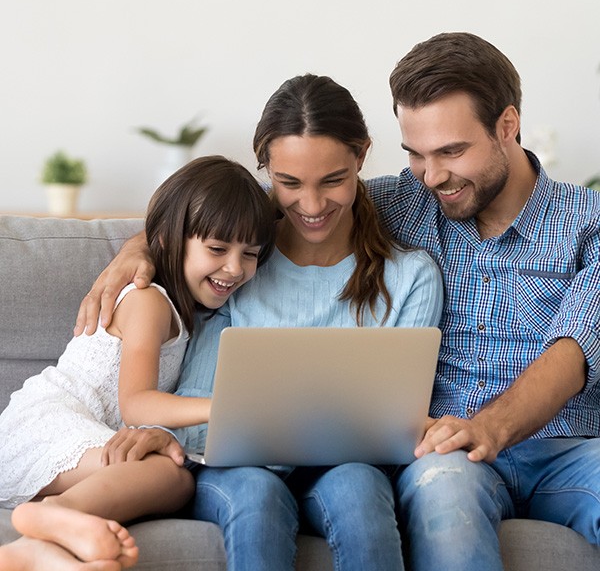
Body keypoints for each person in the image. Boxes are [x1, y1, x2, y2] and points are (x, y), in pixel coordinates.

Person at [74, 73, 444, 571]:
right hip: (235, 466)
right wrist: (136, 245)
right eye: (289, 183)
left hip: (346, 465)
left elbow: (394, 421)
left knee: (359, 492)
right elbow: (183, 235)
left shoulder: (410, 276)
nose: (311, 207)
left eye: (333, 181)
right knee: (258, 498)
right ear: (265, 167)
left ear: (362, 157)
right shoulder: (240, 264)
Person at [365, 31, 600, 570]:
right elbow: (272, 210)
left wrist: (489, 429)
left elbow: (574, 351)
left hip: (571, 449)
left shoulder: (589, 222)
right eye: (416, 154)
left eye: (451, 150)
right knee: (444, 494)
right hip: (448, 457)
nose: (433, 176)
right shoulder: (404, 202)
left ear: (507, 127)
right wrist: (147, 242)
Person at [0, 156, 276, 571]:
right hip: (45, 425)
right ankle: (60, 512)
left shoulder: (188, 311)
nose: (235, 268)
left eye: (250, 254)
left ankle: (38, 548)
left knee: (172, 475)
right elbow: (137, 405)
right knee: (171, 474)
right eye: (218, 249)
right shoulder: (149, 301)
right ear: (168, 240)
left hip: (82, 439)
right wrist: (230, 407)